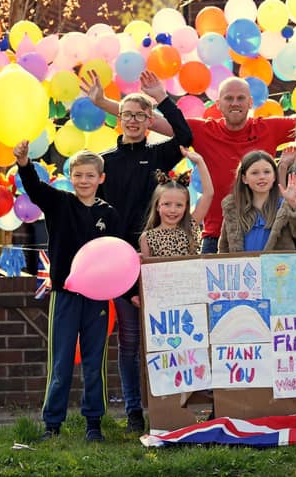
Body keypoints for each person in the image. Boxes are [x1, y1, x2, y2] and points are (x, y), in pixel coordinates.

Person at [84, 74, 296, 254]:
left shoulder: (270, 128)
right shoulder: (204, 131)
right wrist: (101, 101)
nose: (235, 103)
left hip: (261, 235)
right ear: (219, 103)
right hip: (215, 236)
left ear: (251, 103)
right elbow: (145, 118)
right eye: (229, 98)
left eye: (241, 98)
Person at [82, 69, 193, 434]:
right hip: (120, 263)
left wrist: (163, 98)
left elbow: (186, 135)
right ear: (118, 119)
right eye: (126, 114)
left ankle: (174, 408)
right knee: (129, 341)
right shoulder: (104, 163)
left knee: (168, 337)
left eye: (140, 116)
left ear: (149, 122)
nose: (132, 120)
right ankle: (133, 411)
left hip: (158, 260)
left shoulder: (159, 156)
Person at [13, 142, 121, 442]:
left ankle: (94, 424)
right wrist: (24, 164)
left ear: (101, 178)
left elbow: (116, 256)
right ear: (70, 177)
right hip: (65, 295)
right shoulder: (59, 203)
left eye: (90, 175)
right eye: (78, 175)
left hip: (98, 298)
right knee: (60, 361)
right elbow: (34, 188)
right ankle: (52, 424)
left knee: (94, 362)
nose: (84, 181)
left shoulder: (109, 214)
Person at [131, 149, 213, 307]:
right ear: (157, 206)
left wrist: (200, 162)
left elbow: (208, 194)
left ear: (186, 206)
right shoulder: (147, 237)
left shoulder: (191, 226)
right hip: (163, 301)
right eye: (167, 204)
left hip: (193, 297)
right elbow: (147, 277)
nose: (173, 210)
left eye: (179, 205)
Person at [218, 150, 296, 253]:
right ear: (244, 179)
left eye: (267, 172)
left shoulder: (284, 206)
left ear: (274, 176)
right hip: (244, 268)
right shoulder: (234, 209)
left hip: (278, 268)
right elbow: (224, 248)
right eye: (255, 173)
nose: (262, 177)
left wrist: (293, 203)